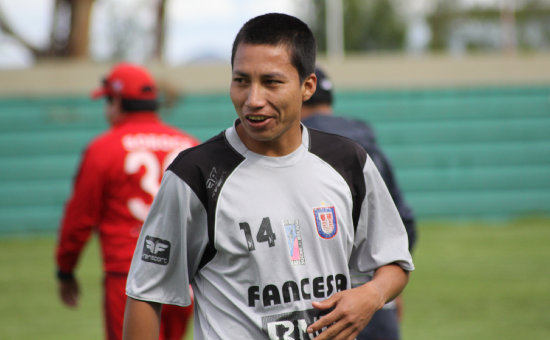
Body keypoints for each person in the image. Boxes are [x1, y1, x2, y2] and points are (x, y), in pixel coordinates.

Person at [123, 13, 414, 340]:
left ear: (307, 86)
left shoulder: (348, 161)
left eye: (271, 82)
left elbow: (393, 261)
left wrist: (371, 296)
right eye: (241, 80)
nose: (253, 100)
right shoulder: (196, 174)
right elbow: (147, 292)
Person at [55, 62, 198, 340]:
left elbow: (79, 220)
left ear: (117, 101)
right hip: (182, 278)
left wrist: (65, 269)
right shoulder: (189, 143)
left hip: (129, 277)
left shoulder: (103, 148)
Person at [301, 67, 418, 340]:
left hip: (316, 306)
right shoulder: (368, 146)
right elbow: (404, 223)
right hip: (374, 302)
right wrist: (386, 285)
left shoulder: (293, 148)